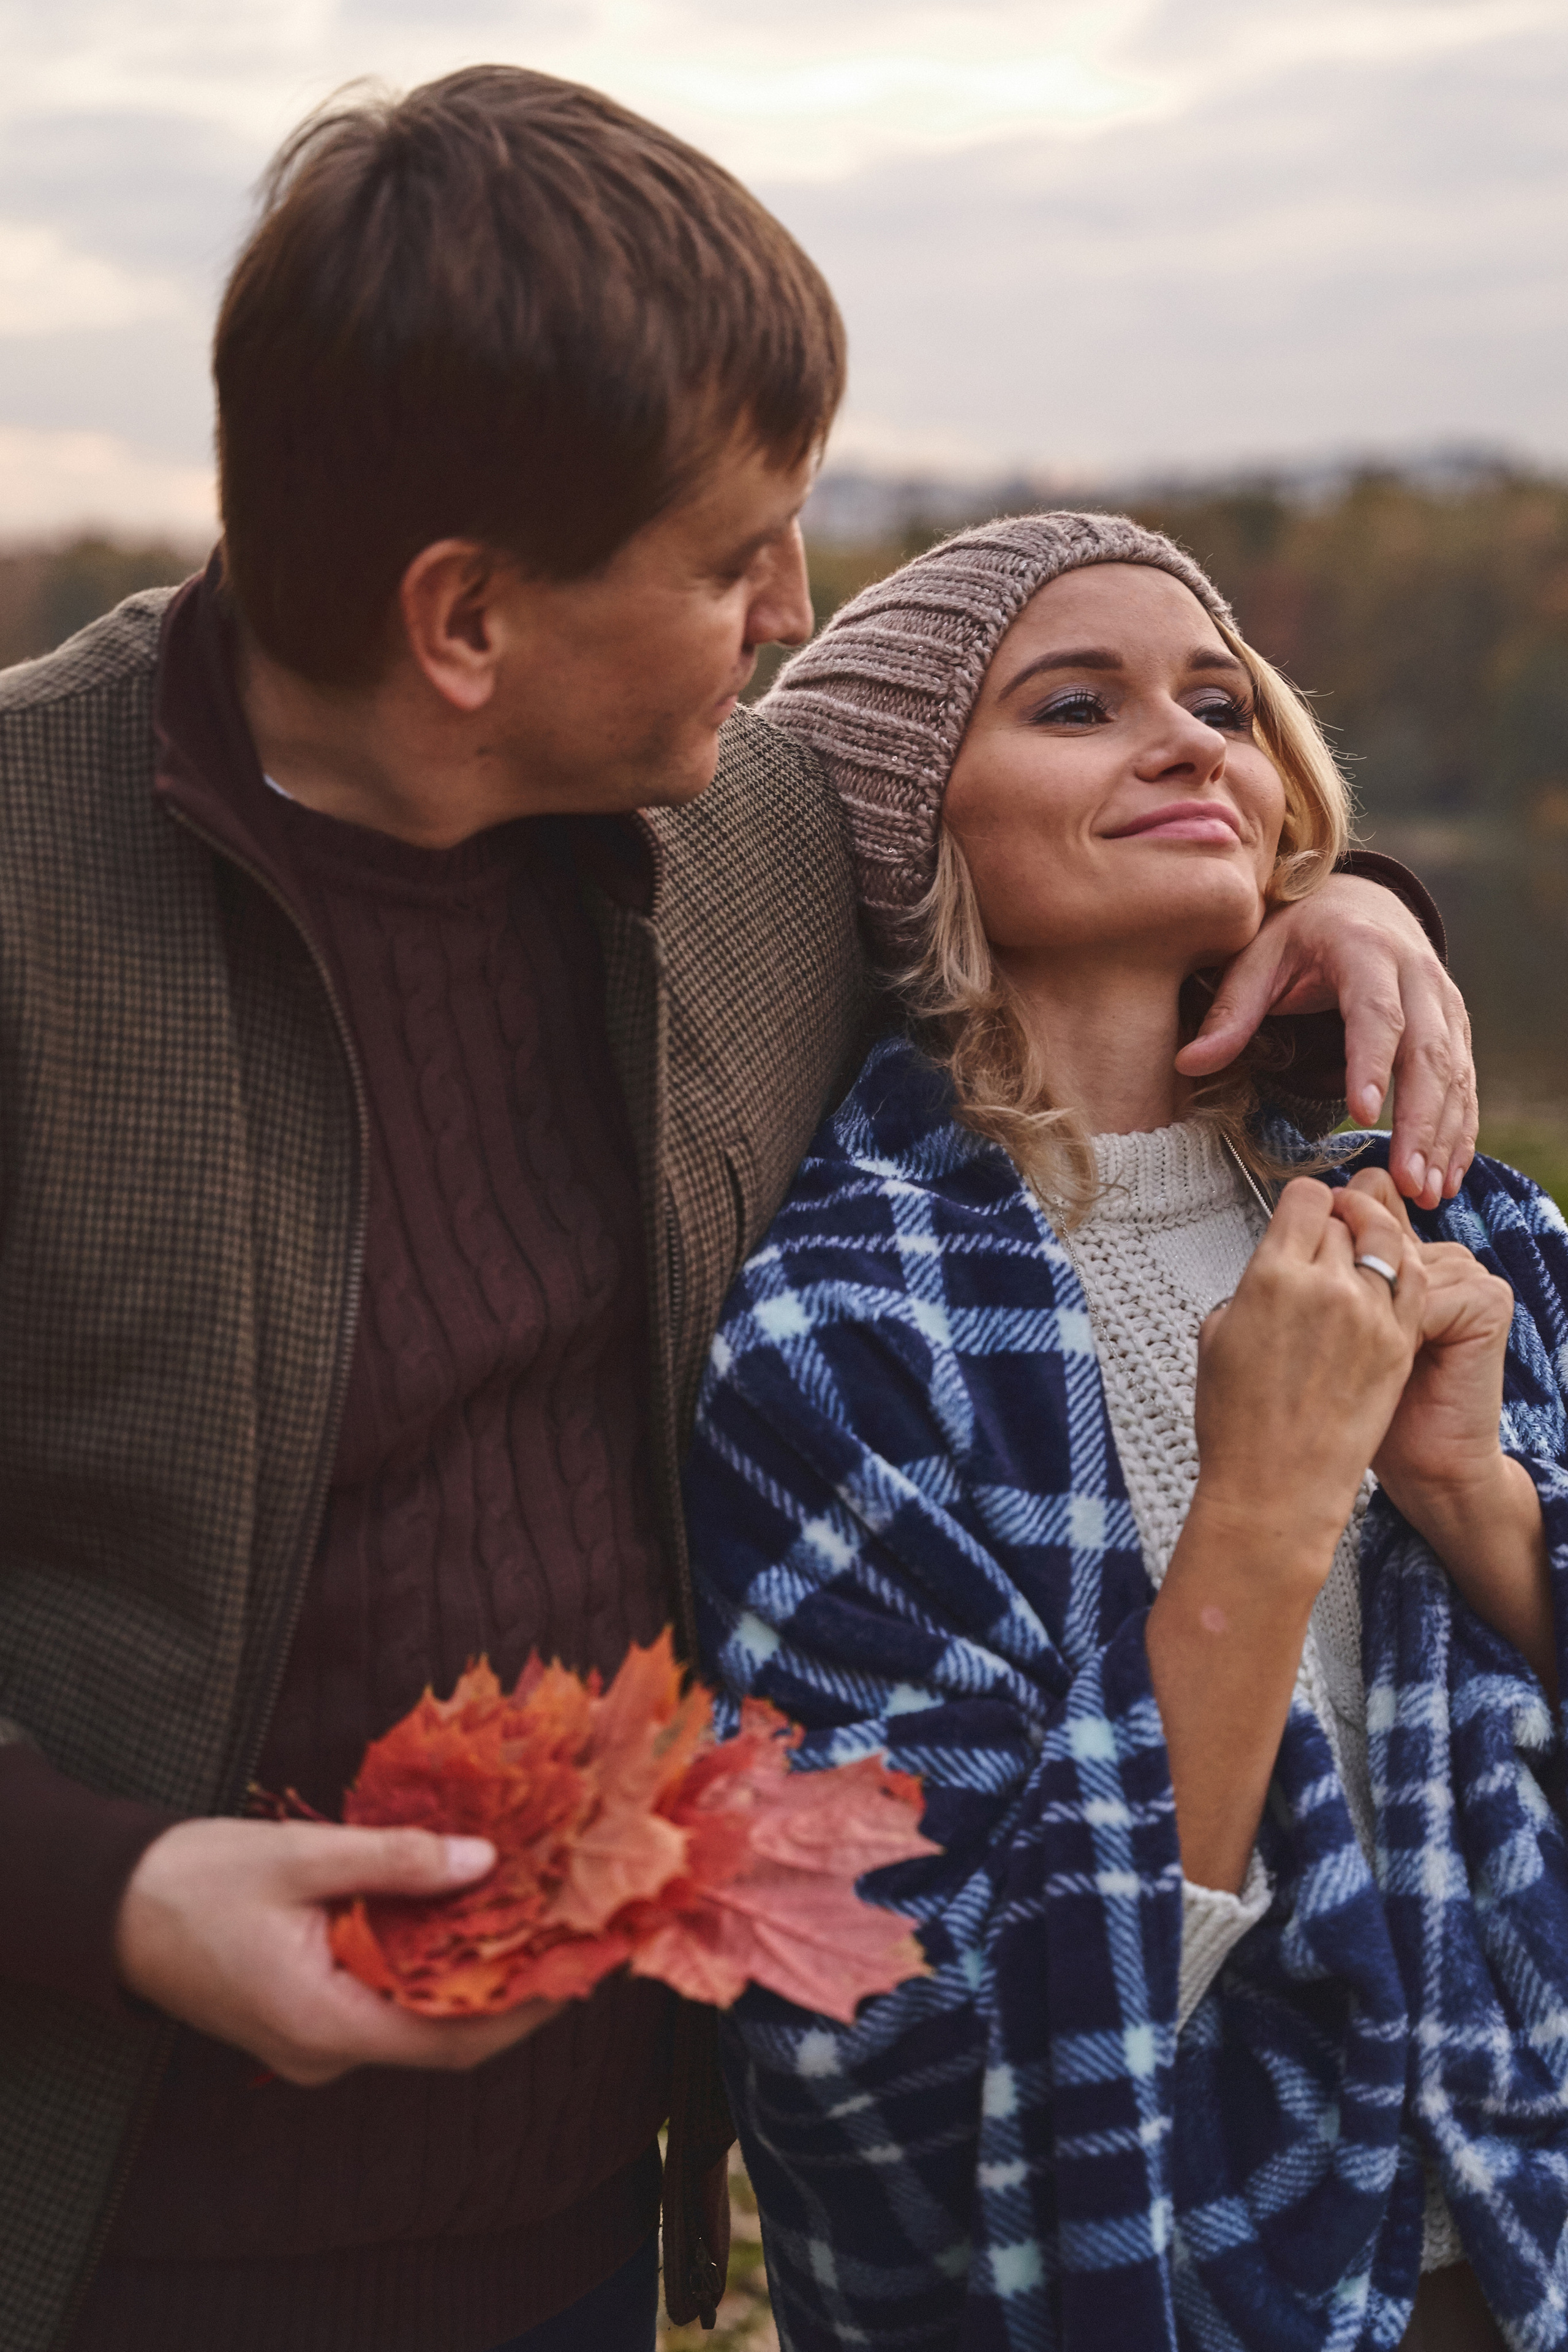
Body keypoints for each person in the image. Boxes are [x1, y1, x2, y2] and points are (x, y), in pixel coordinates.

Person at [0, 67, 1474, 2352]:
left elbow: (1080, 826)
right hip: (104, 2227)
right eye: (727, 561)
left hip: (579, 2214)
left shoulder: (737, 834)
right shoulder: (22, 904)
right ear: (463, 621)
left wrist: (1355, 903)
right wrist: (107, 1895)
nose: (792, 611)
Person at [684, 513, 1568, 2352]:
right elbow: (908, 2039)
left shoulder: (1457, 1216)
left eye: (1223, 702)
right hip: (1192, 2281)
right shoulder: (844, 1333)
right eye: (1077, 704)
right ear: (909, 820)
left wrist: (1474, 1499)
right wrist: (1265, 1506)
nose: (1187, 743)